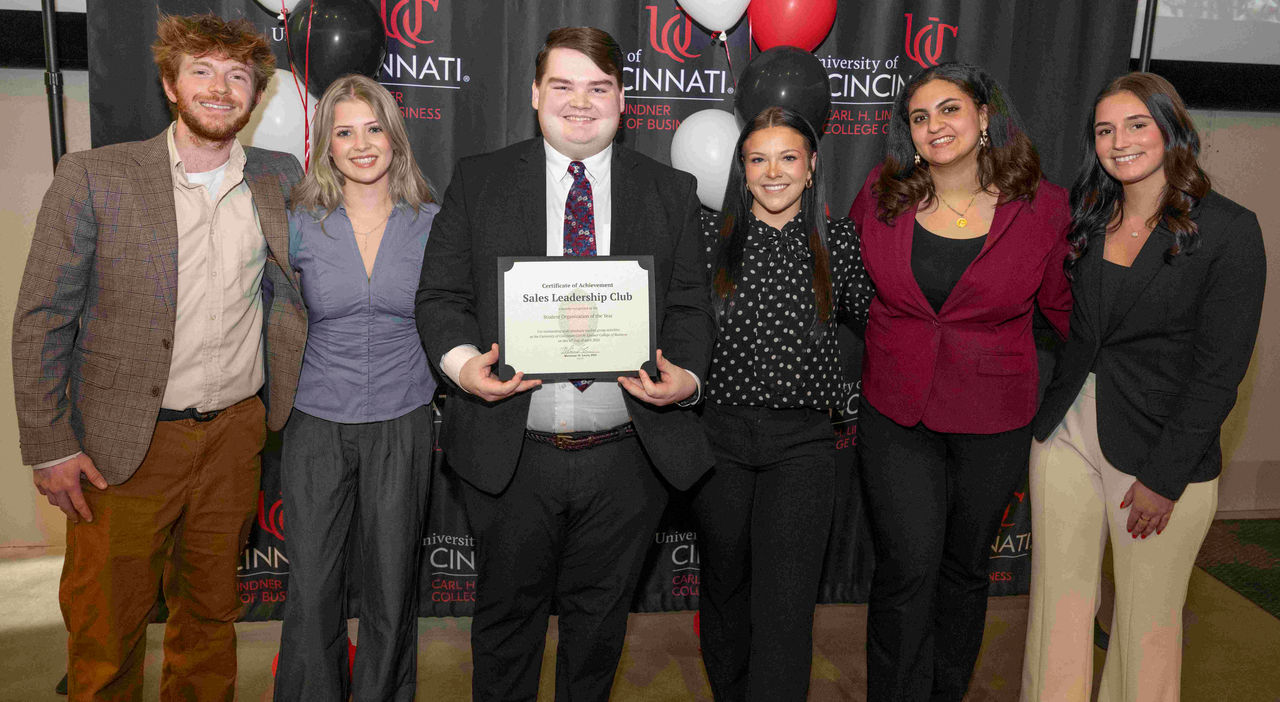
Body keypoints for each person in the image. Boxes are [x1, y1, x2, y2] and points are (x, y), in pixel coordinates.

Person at [415, 26, 715, 701]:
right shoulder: (480, 179)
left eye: (599, 88)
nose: (582, 103)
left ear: (623, 99)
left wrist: (687, 377)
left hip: (626, 456)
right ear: (534, 95)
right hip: (511, 453)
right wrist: (465, 368)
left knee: (599, 633)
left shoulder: (669, 190)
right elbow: (440, 297)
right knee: (504, 631)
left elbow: (692, 308)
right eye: (564, 86)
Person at [11, 14, 306, 700]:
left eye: (238, 76)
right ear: (171, 84)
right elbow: (41, 318)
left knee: (210, 617)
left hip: (234, 435)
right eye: (201, 70)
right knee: (106, 625)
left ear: (255, 97)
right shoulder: (96, 175)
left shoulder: (278, 178)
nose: (220, 88)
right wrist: (49, 445)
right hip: (120, 446)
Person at [1021, 72, 1266, 701]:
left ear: (1171, 130)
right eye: (1105, 129)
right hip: (1068, 436)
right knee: (1057, 610)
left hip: (1161, 453)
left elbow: (1219, 374)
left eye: (1136, 124)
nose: (1119, 141)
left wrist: (1165, 477)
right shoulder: (1087, 216)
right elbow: (1078, 327)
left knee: (1146, 627)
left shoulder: (1230, 231)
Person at [847, 62, 1073, 701]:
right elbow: (847, 283)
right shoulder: (881, 193)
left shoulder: (1045, 207)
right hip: (895, 411)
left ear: (983, 117)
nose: (933, 126)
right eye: (919, 117)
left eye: (948, 110)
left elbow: (1062, 310)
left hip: (994, 416)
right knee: (906, 568)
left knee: (965, 570)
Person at [691, 105, 872, 701]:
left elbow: (888, 324)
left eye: (788, 157)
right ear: (742, 170)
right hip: (718, 443)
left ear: (812, 166)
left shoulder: (840, 242)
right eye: (758, 159)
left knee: (788, 603)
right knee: (724, 588)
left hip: (804, 448)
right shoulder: (702, 243)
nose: (773, 172)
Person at [272, 75, 438, 702]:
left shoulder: (433, 223)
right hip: (316, 418)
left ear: (394, 138)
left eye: (374, 129)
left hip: (404, 415)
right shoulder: (297, 223)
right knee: (312, 585)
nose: (361, 144)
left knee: (392, 585)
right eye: (345, 131)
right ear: (326, 145)